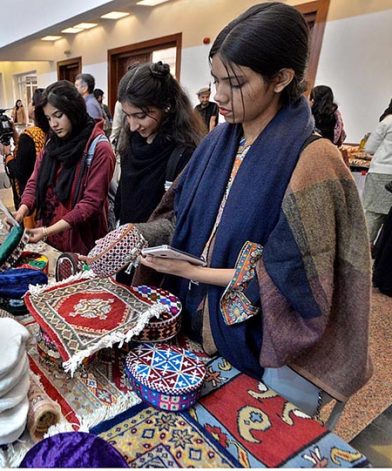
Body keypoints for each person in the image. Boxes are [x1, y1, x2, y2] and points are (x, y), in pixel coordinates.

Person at [133, 2, 371, 416]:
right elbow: (178, 219)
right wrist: (137, 235)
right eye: (215, 80)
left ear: (281, 78)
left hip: (260, 345)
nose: (218, 96)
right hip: (195, 322)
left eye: (235, 82)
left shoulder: (315, 161)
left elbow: (291, 277)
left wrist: (193, 271)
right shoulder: (216, 143)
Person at [15, 80, 115, 254]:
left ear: (73, 110)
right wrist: (21, 211)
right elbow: (34, 182)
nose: (53, 124)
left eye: (58, 115)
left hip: (81, 244)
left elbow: (90, 204)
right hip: (49, 237)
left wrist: (47, 231)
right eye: (48, 118)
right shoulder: (53, 143)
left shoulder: (99, 148)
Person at [114, 61, 204, 227]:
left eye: (140, 116)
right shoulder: (131, 138)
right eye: (127, 115)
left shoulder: (185, 152)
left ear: (167, 106)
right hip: (126, 238)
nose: (133, 126)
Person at [2, 89, 47, 209]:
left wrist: (8, 155)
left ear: (35, 107)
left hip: (28, 196)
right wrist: (16, 136)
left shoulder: (30, 135)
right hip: (45, 192)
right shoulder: (48, 131)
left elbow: (18, 171)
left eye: (31, 102)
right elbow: (29, 153)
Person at [362, 100, 392, 245]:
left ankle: (365, 251)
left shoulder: (388, 121)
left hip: (380, 171)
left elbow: (370, 148)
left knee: (373, 214)